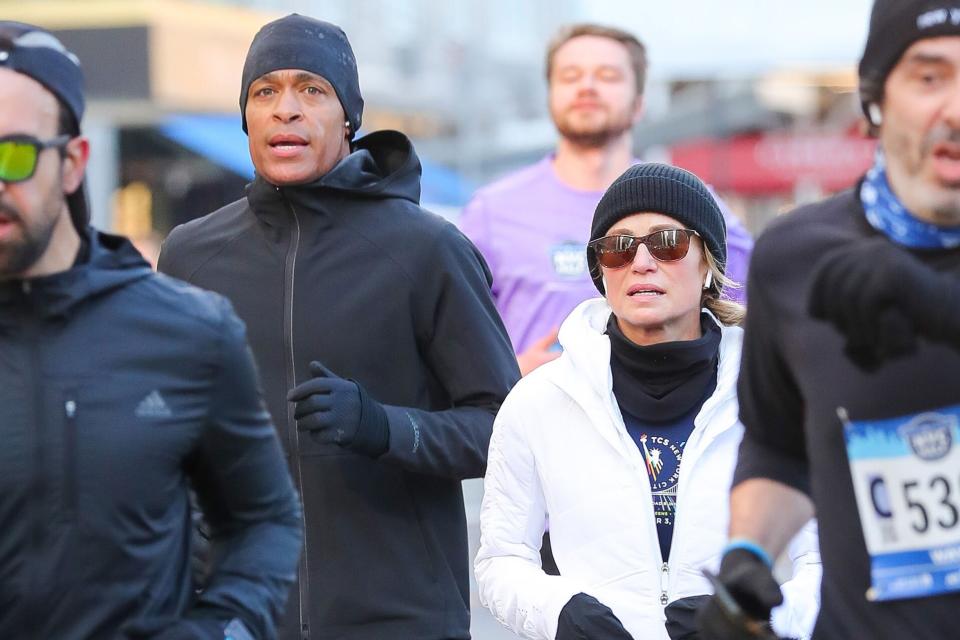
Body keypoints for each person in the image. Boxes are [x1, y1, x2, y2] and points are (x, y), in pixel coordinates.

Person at [157, 14, 520, 640]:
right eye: (264, 92)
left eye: (311, 89)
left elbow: (507, 431)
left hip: (398, 617)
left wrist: (386, 427)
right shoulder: (191, 256)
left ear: (349, 117)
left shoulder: (427, 250)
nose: (286, 110)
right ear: (245, 117)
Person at [0, 21, 302, 640]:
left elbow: (265, 521)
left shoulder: (188, 331)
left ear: (72, 164)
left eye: (13, 154)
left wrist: (223, 630)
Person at [697, 2, 960, 638]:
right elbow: (780, 444)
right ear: (875, 100)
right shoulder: (798, 258)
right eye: (930, 77)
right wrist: (748, 557)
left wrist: (936, 305)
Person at [475, 163, 820, 640]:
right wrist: (560, 612)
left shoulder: (776, 395)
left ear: (708, 266)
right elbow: (501, 559)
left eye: (667, 243)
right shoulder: (537, 402)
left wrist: (756, 620)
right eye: (618, 249)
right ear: (601, 272)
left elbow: (827, 559)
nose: (641, 262)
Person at [459, 23, 753, 377]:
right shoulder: (491, 212)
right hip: (540, 420)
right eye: (570, 76)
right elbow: (453, 342)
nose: (587, 86)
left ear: (640, 102)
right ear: (550, 96)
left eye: (608, 75)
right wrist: (505, 373)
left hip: (672, 418)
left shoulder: (692, 204)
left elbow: (747, 323)